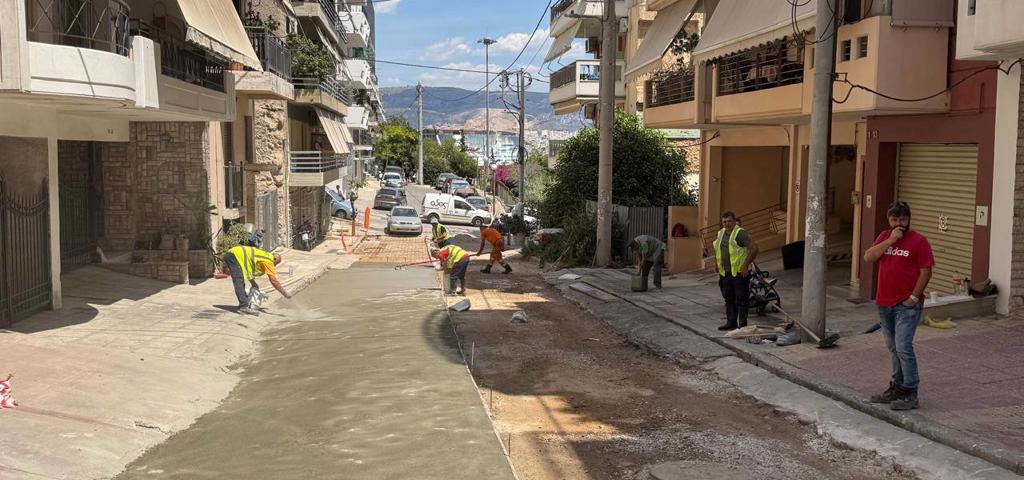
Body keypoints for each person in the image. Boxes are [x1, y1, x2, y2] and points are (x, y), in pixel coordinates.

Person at [863, 201, 933, 411]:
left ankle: (910, 391)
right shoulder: (885, 237)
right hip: (885, 303)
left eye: (903, 219)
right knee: (893, 348)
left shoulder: (919, 241)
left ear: (909, 219)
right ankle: (897, 387)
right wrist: (891, 240)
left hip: (906, 305)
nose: (899, 224)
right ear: (889, 220)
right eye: (895, 220)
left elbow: (926, 271)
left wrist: (914, 297)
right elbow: (868, 257)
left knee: (903, 346)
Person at [713, 211, 759, 330]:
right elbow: (718, 249)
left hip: (739, 273)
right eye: (724, 222)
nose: (727, 224)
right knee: (728, 298)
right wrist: (716, 263)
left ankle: (742, 325)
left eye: (729, 221)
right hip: (725, 273)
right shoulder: (721, 233)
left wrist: (745, 266)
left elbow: (754, 248)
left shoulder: (740, 233)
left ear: (734, 221)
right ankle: (731, 322)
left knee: (741, 299)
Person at [222, 244, 291, 314]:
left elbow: (248, 269)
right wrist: (284, 293)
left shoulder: (263, 256)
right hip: (235, 256)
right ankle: (243, 307)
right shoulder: (268, 261)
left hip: (233, 254)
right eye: (276, 263)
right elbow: (274, 281)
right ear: (274, 259)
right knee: (239, 280)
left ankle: (244, 304)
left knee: (240, 280)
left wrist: (253, 283)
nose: (275, 266)